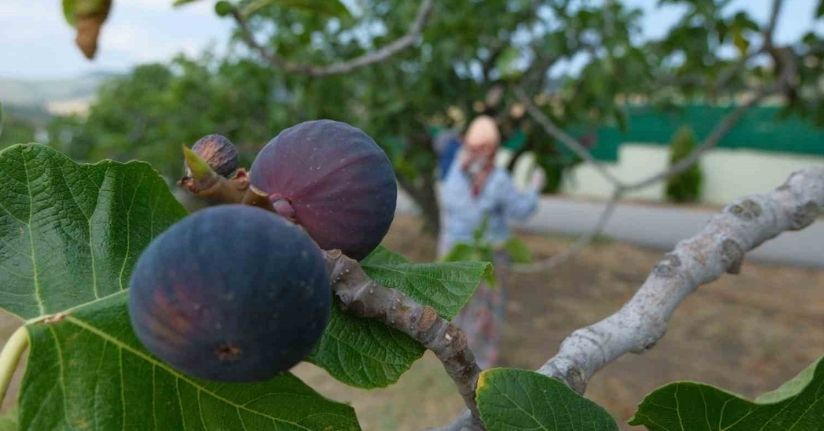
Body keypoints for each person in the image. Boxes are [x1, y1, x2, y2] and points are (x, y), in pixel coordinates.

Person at [438, 115, 545, 368]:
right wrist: (534, 187)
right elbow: (521, 209)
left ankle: (455, 355)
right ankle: (478, 362)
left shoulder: (454, 169)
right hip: (485, 257)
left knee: (457, 304)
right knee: (483, 310)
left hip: (453, 252)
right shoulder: (497, 179)